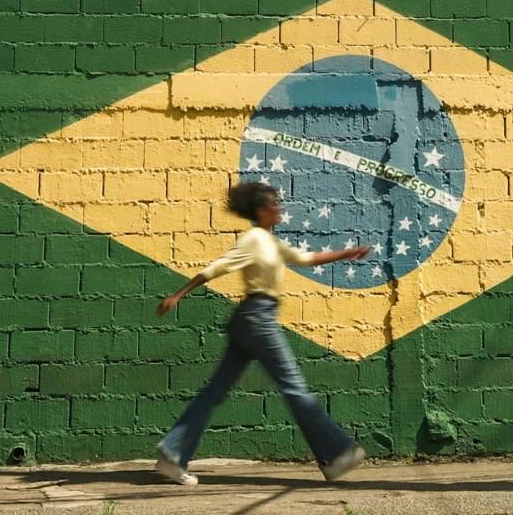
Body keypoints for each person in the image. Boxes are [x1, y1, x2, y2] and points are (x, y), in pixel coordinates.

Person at [154, 182, 370, 485]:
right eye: (273, 203)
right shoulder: (255, 238)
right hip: (257, 318)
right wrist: (179, 294)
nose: (279, 207)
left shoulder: (270, 241)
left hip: (253, 319)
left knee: (215, 391)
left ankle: (172, 457)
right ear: (259, 210)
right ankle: (336, 455)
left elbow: (306, 258)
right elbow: (218, 267)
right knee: (294, 387)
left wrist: (346, 253)